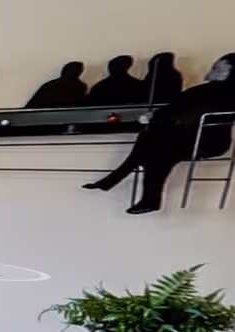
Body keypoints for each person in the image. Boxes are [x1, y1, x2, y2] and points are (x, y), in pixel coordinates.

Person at [84, 53, 235, 213]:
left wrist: (154, 117)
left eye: (217, 67)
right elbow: (180, 110)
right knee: (155, 145)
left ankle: (120, 180)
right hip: (200, 140)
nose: (211, 71)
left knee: (155, 146)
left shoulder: (214, 91)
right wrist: (158, 118)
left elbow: (186, 112)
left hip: (201, 142)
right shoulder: (218, 91)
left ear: (229, 71)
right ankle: (137, 192)